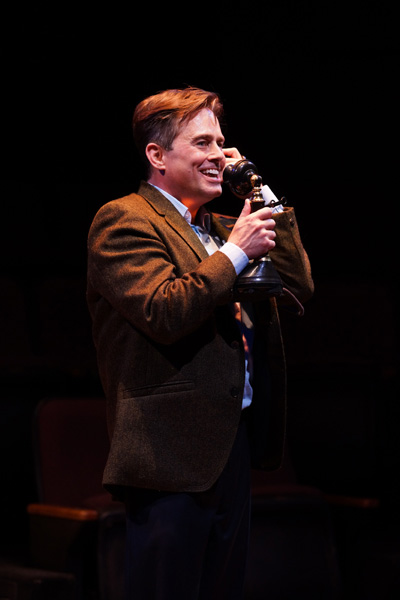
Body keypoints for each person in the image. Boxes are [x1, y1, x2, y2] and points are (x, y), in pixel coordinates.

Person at [86, 86, 314, 600]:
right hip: (168, 450)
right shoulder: (124, 219)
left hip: (230, 441)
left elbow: (299, 284)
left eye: (222, 143)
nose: (218, 155)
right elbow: (163, 310)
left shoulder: (222, 228)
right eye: (203, 142)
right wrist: (234, 254)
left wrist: (260, 191)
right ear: (158, 155)